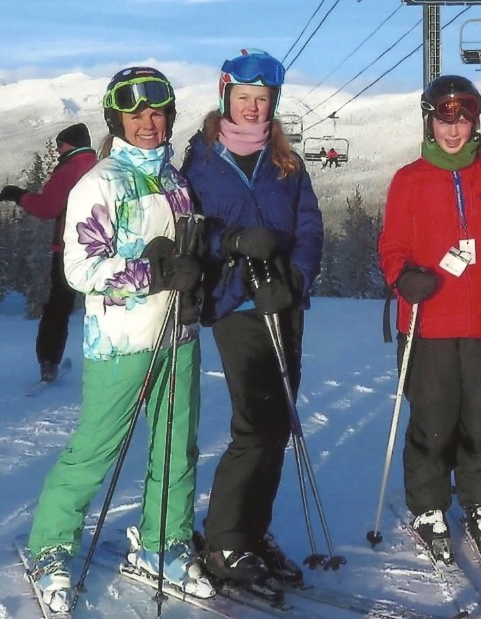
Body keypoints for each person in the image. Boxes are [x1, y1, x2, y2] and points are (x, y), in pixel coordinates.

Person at [25, 66, 213, 614]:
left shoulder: (175, 181)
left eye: (157, 113)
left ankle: (161, 542)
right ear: (117, 120)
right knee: (95, 450)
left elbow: (187, 256)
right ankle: (51, 547)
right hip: (121, 341)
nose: (148, 123)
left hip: (177, 336)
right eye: (136, 115)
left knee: (177, 447)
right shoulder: (100, 183)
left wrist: (200, 272)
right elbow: (80, 270)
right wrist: (152, 274)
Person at [182, 49, 324, 592]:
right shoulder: (199, 160)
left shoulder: (285, 161)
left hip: (282, 301)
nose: (252, 108)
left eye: (262, 99)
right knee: (255, 424)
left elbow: (308, 226)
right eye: (243, 98)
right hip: (236, 303)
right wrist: (233, 242)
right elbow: (190, 228)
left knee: (279, 421)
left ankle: (251, 531)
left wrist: (297, 277)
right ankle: (225, 539)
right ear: (225, 98)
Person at [379, 75, 481, 564]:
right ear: (430, 121)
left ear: (475, 122)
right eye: (444, 119)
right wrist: (402, 275)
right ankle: (428, 505)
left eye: (462, 120)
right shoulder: (409, 180)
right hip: (428, 323)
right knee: (433, 421)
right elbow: (392, 245)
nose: (453, 130)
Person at [0, 123, 97, 383]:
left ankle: (48, 361)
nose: (57, 151)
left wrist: (19, 196)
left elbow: (48, 208)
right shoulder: (99, 166)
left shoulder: (69, 169)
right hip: (100, 247)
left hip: (69, 249)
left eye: (60, 145)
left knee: (57, 307)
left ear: (71, 144)